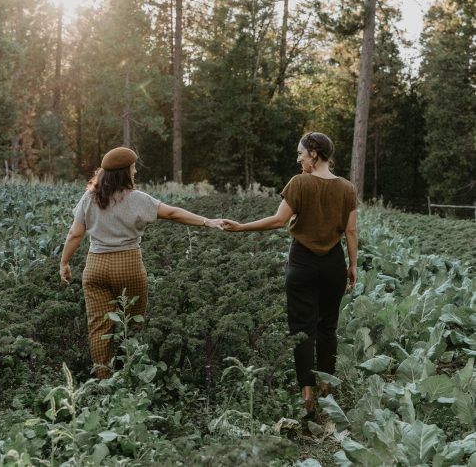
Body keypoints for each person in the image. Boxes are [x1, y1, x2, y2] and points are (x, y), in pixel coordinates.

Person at [223, 132, 358, 418]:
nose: (298, 159)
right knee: (328, 327)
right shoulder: (347, 188)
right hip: (334, 263)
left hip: (302, 264)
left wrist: (241, 227)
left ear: (313, 152)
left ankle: (306, 397)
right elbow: (351, 231)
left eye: (300, 153)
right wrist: (352, 266)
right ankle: (326, 390)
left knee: (302, 330)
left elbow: (278, 220)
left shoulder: (299, 183)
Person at [60, 147, 224, 379]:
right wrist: (207, 221)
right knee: (134, 323)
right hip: (128, 265)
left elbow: (74, 234)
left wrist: (64, 263)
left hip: (95, 266)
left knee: (98, 328)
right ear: (125, 172)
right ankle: (131, 375)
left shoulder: (89, 197)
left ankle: (103, 382)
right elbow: (174, 214)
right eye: (133, 167)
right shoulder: (138, 199)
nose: (135, 170)